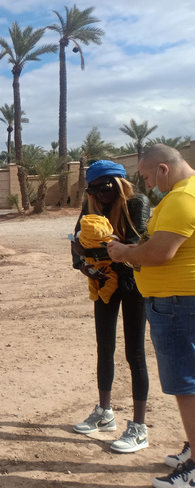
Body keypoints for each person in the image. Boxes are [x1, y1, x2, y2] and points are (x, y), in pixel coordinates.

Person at [108, 144, 195, 487]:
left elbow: (159, 252)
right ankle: (192, 446)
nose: (144, 183)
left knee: (185, 384)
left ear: (162, 168)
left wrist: (124, 252)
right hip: (177, 302)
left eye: (145, 176)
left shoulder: (180, 199)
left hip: (177, 304)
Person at [70, 160, 151, 453]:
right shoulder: (91, 205)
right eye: (94, 191)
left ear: (117, 184)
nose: (99, 196)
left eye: (104, 190)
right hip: (103, 282)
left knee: (135, 353)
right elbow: (74, 238)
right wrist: (83, 266)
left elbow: (133, 244)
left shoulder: (137, 202)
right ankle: (104, 413)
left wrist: (89, 247)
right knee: (104, 348)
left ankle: (139, 428)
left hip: (132, 284)